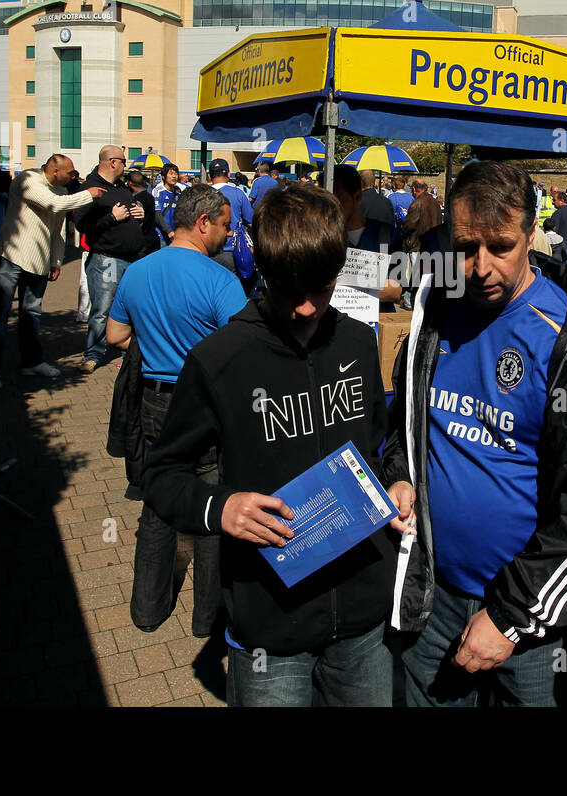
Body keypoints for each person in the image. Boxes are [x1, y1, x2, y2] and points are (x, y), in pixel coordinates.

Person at [383, 159, 567, 707]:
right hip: (432, 594)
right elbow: (404, 419)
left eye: (499, 246)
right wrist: (400, 474)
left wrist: (510, 617)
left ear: (531, 237)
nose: (478, 266)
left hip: (526, 622)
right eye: (465, 245)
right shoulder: (436, 311)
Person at [141, 185, 409, 706]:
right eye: (289, 290)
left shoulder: (356, 341)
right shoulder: (219, 360)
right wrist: (220, 507)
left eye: (322, 288)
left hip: (362, 619)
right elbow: (161, 474)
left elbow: (385, 442)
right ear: (260, 269)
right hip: (271, 627)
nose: (307, 307)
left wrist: (397, 479)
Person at [106, 185, 247, 637]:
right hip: (206, 402)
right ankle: (206, 618)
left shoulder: (138, 271)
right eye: (225, 225)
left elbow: (114, 336)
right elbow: (244, 352)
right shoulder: (220, 279)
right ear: (203, 222)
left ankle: (147, 609)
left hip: (154, 399)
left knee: (159, 500)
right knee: (210, 504)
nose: (228, 235)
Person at [0, 153, 105, 389]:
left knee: (31, 313)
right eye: (70, 173)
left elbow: (57, 230)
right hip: (13, 256)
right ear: (55, 171)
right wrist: (88, 194)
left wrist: (56, 261)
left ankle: (32, 362)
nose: (72, 177)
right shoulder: (29, 179)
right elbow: (53, 204)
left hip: (39, 261)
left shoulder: (63, 192)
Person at [77, 145, 148, 374]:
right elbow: (82, 225)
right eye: (124, 161)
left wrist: (139, 215)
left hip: (132, 258)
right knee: (102, 310)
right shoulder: (90, 188)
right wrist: (111, 218)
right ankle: (93, 354)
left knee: (131, 308)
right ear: (112, 162)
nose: (126, 166)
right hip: (107, 259)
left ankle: (129, 352)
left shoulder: (121, 188)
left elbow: (128, 218)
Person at [332, 165, 402, 308]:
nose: (331, 208)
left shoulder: (388, 236)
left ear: (357, 196)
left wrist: (339, 284)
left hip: (378, 321)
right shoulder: (321, 237)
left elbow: (395, 290)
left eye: (339, 200)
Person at [207, 158, 254, 283]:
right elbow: (250, 219)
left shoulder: (203, 194)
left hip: (207, 251)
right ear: (228, 174)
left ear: (209, 175)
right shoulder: (238, 193)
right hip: (232, 250)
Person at [400, 177, 442, 254]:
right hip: (434, 244)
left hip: (419, 246)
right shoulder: (435, 202)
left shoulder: (417, 204)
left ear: (414, 189)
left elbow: (408, 225)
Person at [125, 170, 161, 257]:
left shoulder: (135, 199)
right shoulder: (150, 197)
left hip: (141, 242)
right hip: (152, 239)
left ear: (130, 183)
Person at [546, 191, 567, 264]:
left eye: (554, 200)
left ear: (562, 201)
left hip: (559, 251)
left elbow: (553, 232)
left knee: (558, 273)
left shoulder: (557, 214)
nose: (553, 202)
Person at [152, 164, 181, 246]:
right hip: (161, 236)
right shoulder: (158, 191)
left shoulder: (178, 194)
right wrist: (168, 230)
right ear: (164, 177)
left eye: (176, 174)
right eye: (171, 174)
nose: (174, 176)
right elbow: (157, 214)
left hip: (174, 236)